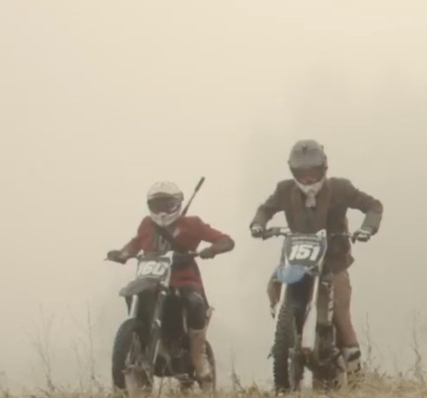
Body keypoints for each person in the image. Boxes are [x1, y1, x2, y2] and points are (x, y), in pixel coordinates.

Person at [248, 140, 383, 373]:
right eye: (302, 173)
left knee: (340, 308)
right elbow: (265, 209)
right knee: (274, 284)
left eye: (312, 172)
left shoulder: (340, 188)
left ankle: (353, 366)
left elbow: (373, 205)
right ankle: (286, 329)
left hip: (333, 259)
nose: (308, 179)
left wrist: (366, 229)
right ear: (293, 172)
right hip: (296, 256)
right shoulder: (284, 190)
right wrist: (258, 225)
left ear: (323, 169)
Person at [107, 181, 235, 384]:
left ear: (178, 204)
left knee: (195, 303)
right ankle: (138, 342)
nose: (162, 211)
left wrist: (212, 249)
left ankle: (198, 354)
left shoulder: (192, 224)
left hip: (184, 279)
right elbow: (135, 243)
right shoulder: (146, 224)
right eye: (157, 206)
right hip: (150, 278)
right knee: (133, 294)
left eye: (168, 205)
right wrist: (122, 254)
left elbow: (225, 240)